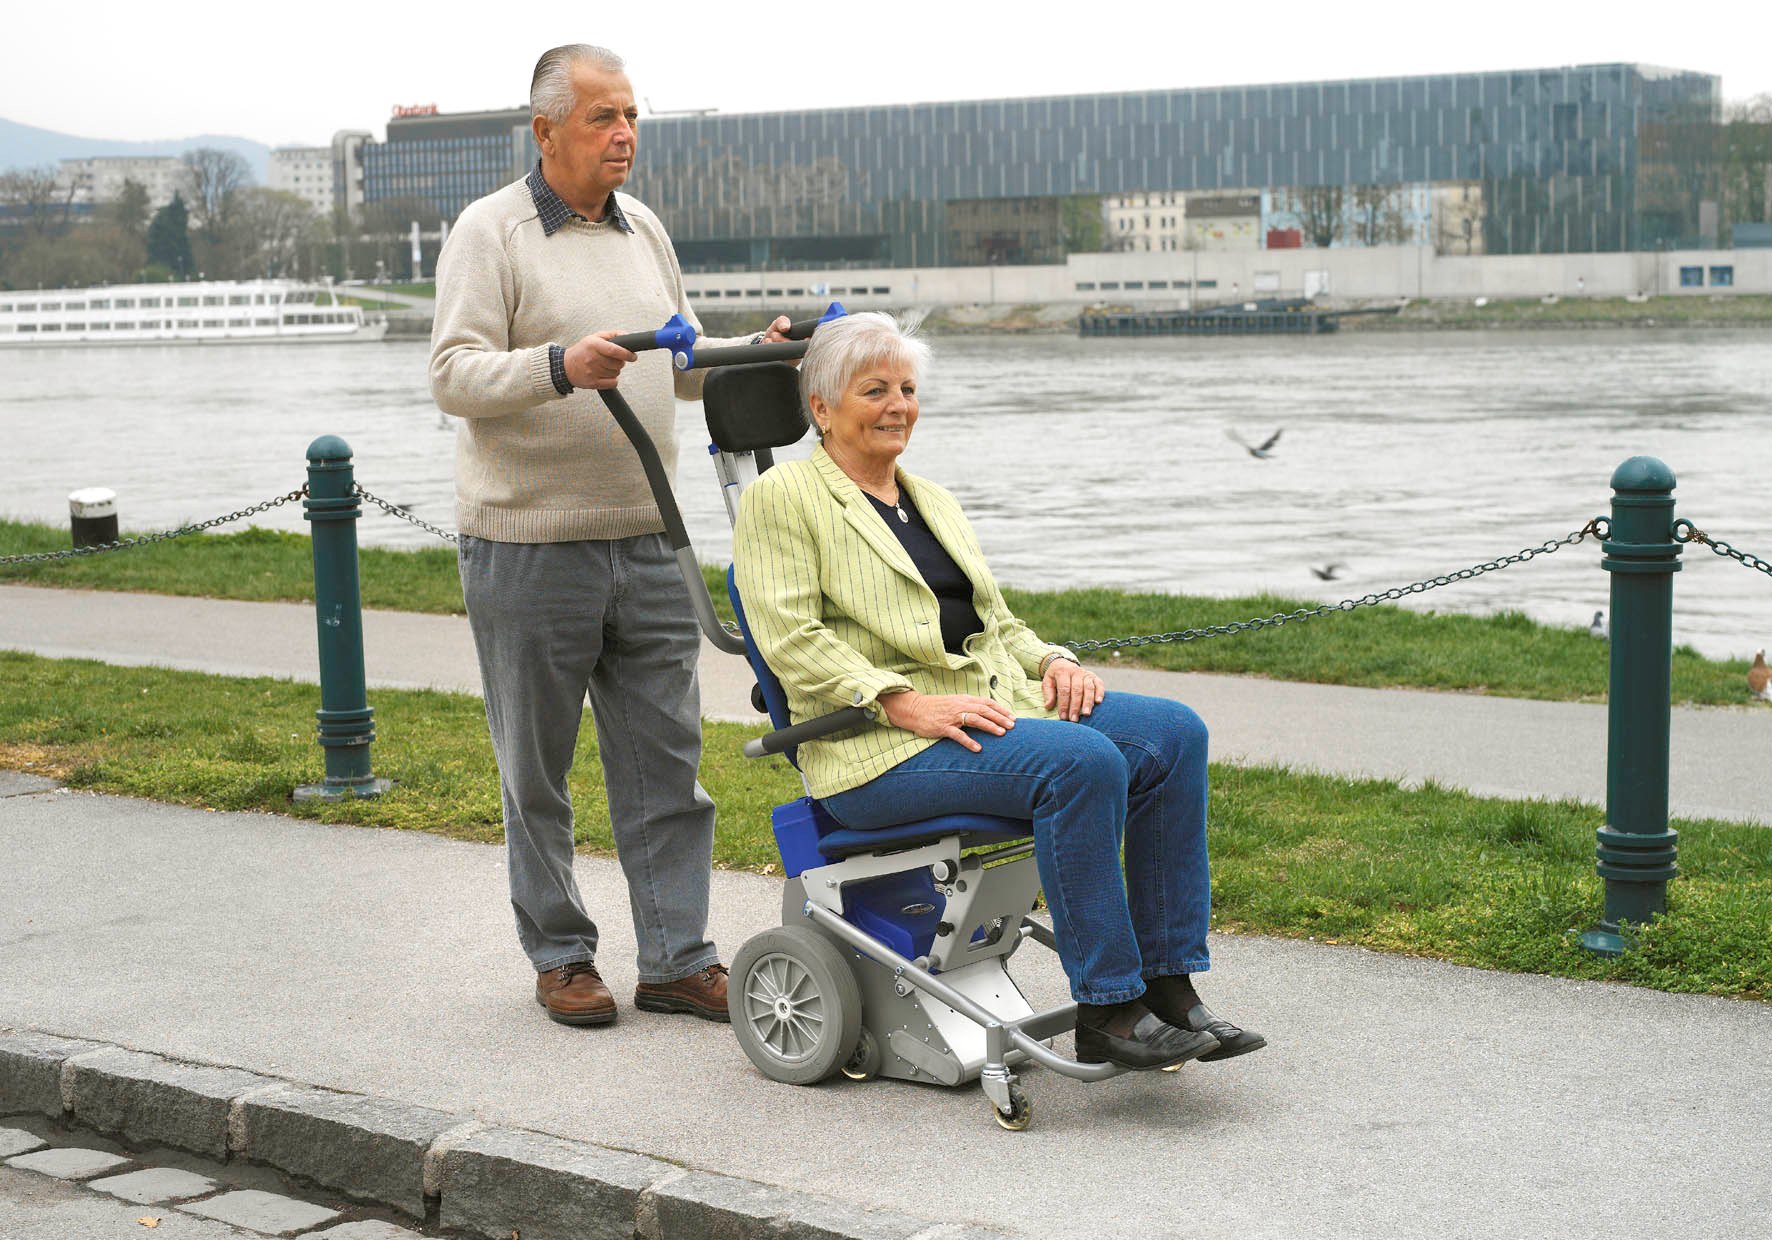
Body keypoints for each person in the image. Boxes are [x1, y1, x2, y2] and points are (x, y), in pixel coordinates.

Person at [733, 313, 1265, 1071]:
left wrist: (1053, 661)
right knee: (1079, 762)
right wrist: (902, 702)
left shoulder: (931, 499)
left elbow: (995, 620)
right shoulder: (781, 499)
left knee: (1174, 734)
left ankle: (1166, 985)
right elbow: (792, 641)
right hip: (875, 745)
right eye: (875, 389)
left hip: (983, 703)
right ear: (821, 407)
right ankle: (1109, 1007)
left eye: (908, 389)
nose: (898, 405)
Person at [429, 43, 789, 1028]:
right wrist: (555, 365)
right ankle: (560, 955)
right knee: (535, 772)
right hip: (529, 545)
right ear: (544, 131)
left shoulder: (644, 232)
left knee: (666, 765)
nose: (623, 133)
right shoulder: (488, 232)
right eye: (601, 117)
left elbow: (676, 366)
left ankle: (676, 957)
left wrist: (745, 355)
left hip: (647, 541)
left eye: (631, 115)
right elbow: (453, 375)